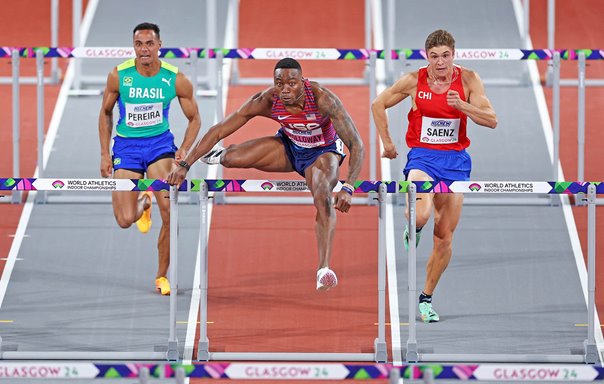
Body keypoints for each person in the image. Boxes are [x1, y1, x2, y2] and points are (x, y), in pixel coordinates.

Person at [166, 57, 364, 291]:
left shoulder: (323, 99)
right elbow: (219, 129)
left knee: (322, 196)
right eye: (279, 83)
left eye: (292, 83)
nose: (285, 89)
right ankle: (219, 155)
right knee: (230, 158)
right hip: (290, 147)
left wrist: (349, 188)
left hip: (323, 153)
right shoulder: (267, 100)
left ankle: (324, 269)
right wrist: (185, 164)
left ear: (302, 82)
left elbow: (357, 145)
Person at [371, 29, 497, 322]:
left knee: (444, 238)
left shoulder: (468, 80)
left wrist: (461, 105)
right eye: (433, 56)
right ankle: (412, 227)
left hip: (455, 162)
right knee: (420, 214)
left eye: (445, 56)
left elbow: (492, 120)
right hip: (423, 158)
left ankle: (426, 299)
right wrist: (388, 143)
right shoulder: (414, 81)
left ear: (454, 54)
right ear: (426, 56)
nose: (440, 62)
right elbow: (379, 104)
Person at [99, 22, 201, 295]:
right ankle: (144, 203)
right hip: (127, 148)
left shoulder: (174, 78)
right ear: (134, 46)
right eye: (138, 44)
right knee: (124, 220)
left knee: (170, 213)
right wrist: (104, 153)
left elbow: (194, 119)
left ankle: (161, 275)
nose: (144, 49)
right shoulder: (119, 76)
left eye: (149, 44)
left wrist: (184, 151)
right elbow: (105, 112)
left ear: (159, 45)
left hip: (159, 147)